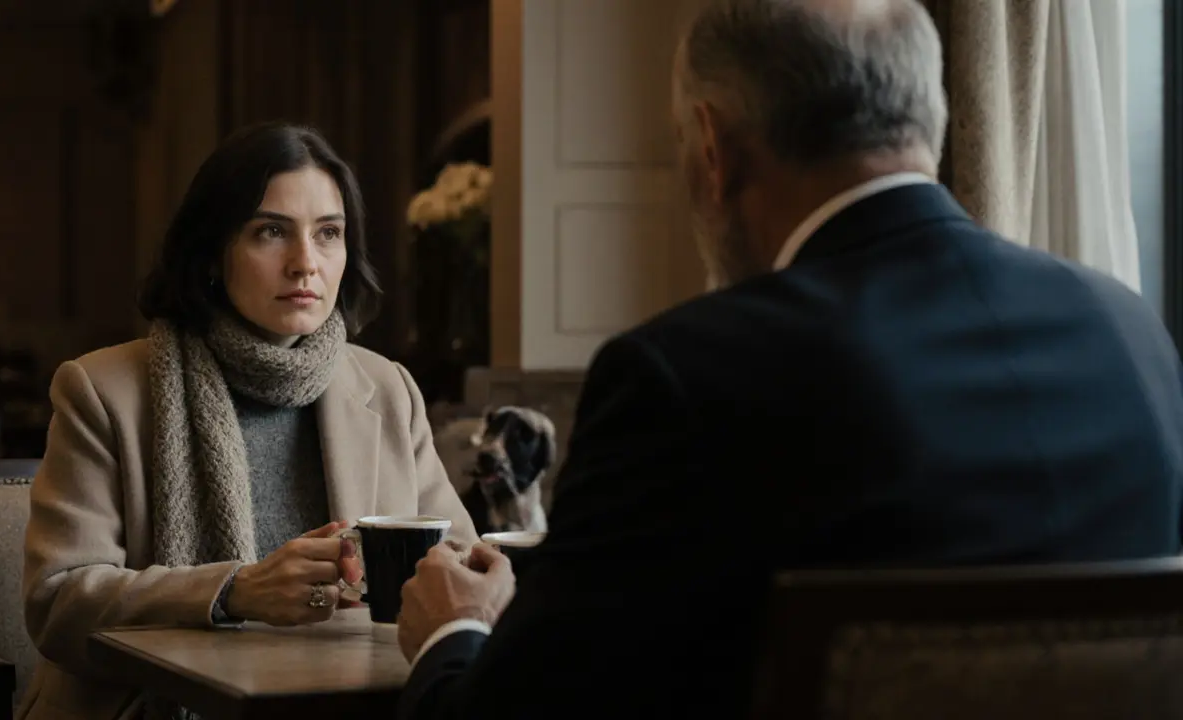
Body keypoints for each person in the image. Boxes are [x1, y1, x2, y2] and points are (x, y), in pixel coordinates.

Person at [394, 0, 1183, 716]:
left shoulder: (686, 377)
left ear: (713, 147)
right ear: (931, 116)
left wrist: (453, 634)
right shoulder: (1133, 336)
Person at [17, 122, 476, 720]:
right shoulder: (103, 390)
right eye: (270, 231)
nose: (304, 263)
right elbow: (57, 604)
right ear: (212, 251)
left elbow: (461, 559)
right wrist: (233, 591)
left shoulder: (388, 388)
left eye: (329, 233)